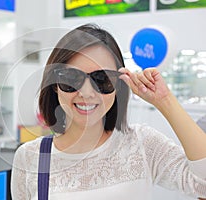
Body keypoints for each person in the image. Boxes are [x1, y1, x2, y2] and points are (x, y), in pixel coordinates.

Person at [11, 23, 206, 199]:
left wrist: (165, 101)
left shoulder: (141, 144)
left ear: (118, 85)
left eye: (102, 79)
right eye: (71, 78)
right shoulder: (30, 156)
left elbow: (202, 186)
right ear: (54, 84)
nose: (87, 93)